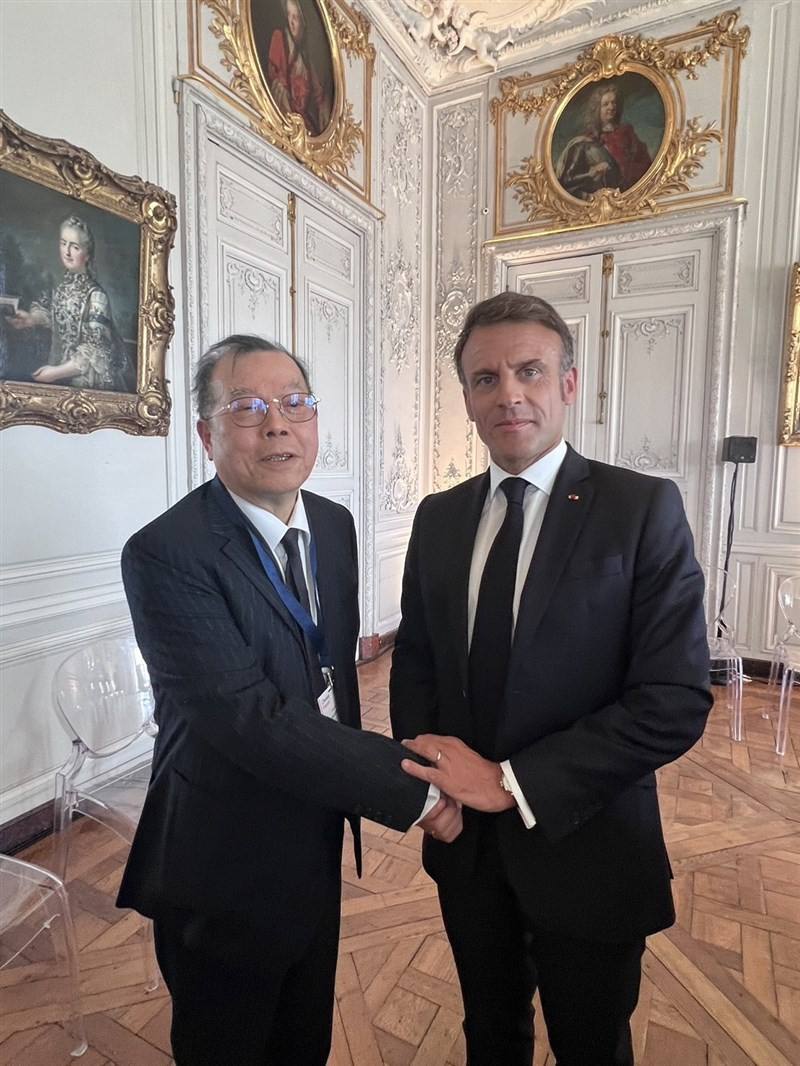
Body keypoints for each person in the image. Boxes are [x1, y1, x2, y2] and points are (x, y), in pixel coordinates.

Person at [118, 335, 462, 1066]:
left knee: (303, 1034)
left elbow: (328, 678)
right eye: (247, 407)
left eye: (295, 404)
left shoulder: (331, 525)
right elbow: (249, 718)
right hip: (221, 857)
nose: (277, 423)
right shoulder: (166, 553)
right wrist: (418, 793)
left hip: (315, 830)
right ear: (208, 436)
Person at [390, 292, 711, 1066]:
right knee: (489, 1035)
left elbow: (673, 700)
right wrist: (429, 787)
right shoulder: (438, 517)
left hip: (587, 843)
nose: (509, 393)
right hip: (464, 844)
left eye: (529, 371)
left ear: (568, 383)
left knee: (591, 1045)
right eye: (485, 378)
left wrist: (510, 782)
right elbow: (418, 665)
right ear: (466, 398)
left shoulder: (641, 509)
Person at [8, 215, 129, 390]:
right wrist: (31, 319)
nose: (67, 252)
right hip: (58, 370)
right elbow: (53, 314)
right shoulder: (60, 289)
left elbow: (96, 350)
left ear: (87, 255)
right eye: (63, 243)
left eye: (75, 247)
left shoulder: (96, 296)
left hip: (86, 380)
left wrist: (56, 373)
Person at [556, 83, 652, 200]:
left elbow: (643, 159)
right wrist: (596, 170)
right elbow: (575, 176)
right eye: (605, 104)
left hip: (628, 189)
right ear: (597, 109)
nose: (611, 107)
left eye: (613, 103)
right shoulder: (587, 139)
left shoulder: (626, 131)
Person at [266, 0, 331, 136]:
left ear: (303, 22)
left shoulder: (306, 60)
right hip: (284, 115)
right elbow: (276, 76)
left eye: (295, 17)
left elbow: (319, 94)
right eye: (289, 15)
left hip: (302, 121)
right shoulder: (280, 38)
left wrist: (323, 106)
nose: (292, 22)